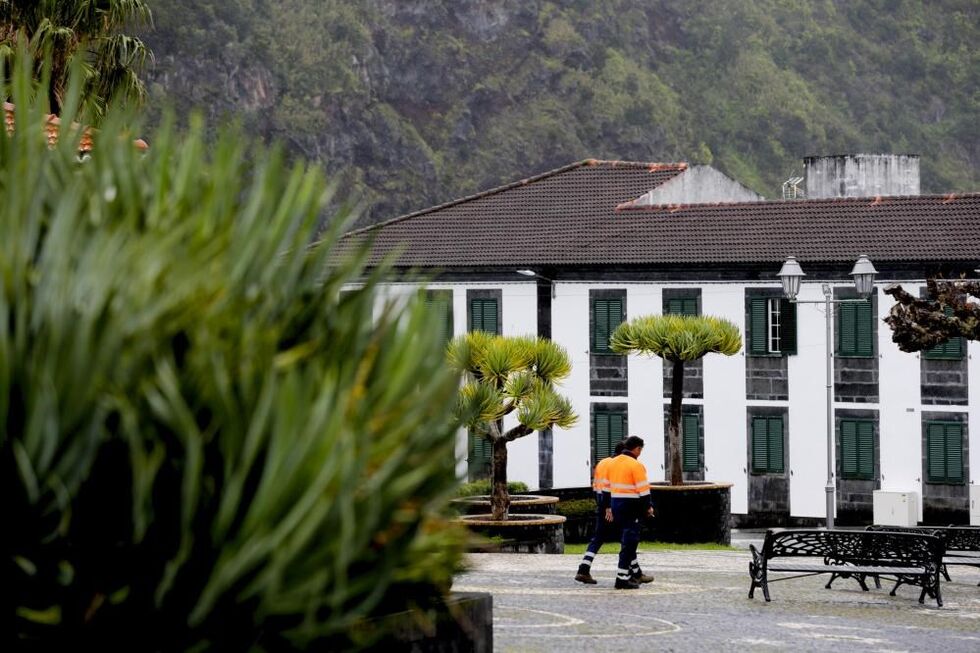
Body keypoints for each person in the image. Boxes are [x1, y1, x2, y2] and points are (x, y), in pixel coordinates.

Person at [574, 441, 654, 585]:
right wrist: (609, 509)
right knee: (628, 539)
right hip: (615, 506)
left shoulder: (602, 463)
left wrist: (603, 507)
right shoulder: (621, 464)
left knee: (599, 538)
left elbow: (597, 486)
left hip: (604, 503)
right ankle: (628, 575)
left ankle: (584, 568)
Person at [602, 435, 655, 589]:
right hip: (633, 507)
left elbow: (605, 489)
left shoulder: (612, 463)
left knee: (626, 541)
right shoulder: (636, 465)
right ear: (637, 449)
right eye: (640, 450)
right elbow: (644, 491)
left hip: (616, 505)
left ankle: (632, 574)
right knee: (630, 543)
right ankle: (622, 578)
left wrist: (608, 507)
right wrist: (648, 507)